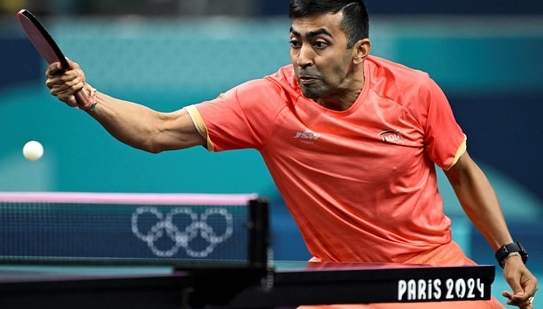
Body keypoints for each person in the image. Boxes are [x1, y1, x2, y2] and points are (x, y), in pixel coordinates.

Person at [45, 0, 537, 308]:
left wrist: (508, 250)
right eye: (296, 42)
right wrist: (88, 97)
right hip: (338, 281)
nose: (303, 57)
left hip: (428, 271)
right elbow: (157, 130)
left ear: (360, 50)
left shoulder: (415, 92)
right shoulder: (268, 102)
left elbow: (462, 172)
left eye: (320, 43)